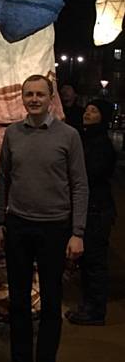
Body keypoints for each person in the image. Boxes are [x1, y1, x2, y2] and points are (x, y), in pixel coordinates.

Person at [0, 74, 88, 362]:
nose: (34, 99)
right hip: (18, 226)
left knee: (51, 302)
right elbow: (3, 179)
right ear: (22, 98)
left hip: (54, 228)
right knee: (18, 301)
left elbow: (79, 186)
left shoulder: (69, 136)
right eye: (29, 94)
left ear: (51, 99)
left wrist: (77, 232)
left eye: (40, 94)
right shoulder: (12, 134)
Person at [66, 99, 116, 326]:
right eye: (87, 109)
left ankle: (95, 310)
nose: (88, 113)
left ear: (102, 116)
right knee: (87, 261)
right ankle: (89, 306)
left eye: (94, 111)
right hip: (90, 208)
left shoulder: (101, 144)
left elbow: (91, 174)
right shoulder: (85, 138)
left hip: (97, 209)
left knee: (94, 262)